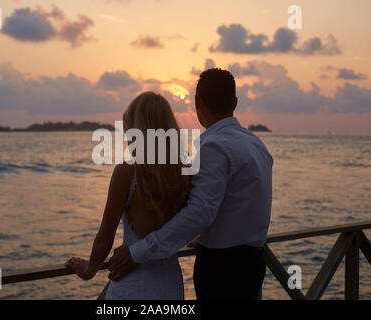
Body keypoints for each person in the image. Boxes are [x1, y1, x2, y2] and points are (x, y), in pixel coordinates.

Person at [108, 68, 274, 300]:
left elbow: (200, 212)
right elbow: (237, 205)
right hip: (254, 262)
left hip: (222, 269)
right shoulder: (256, 145)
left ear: (197, 101)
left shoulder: (212, 147)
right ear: (235, 102)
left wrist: (137, 252)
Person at [65, 92, 191, 299]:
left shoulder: (127, 173)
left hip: (132, 282)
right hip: (170, 283)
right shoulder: (186, 172)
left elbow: (105, 238)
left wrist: (89, 270)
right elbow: (189, 222)